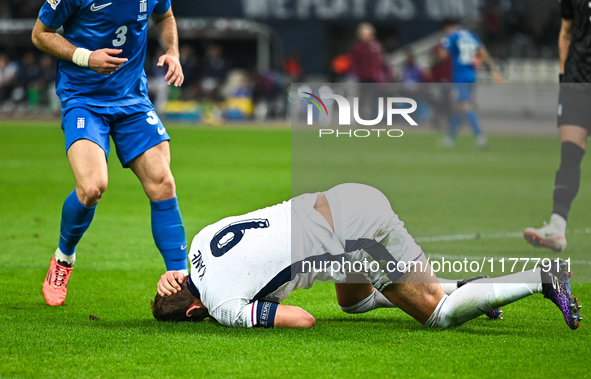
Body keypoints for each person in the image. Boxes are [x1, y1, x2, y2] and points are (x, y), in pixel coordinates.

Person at [152, 184, 581, 329]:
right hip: (341, 200)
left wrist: (241, 317)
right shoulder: (199, 244)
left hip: (356, 233)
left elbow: (303, 319)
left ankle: (541, 277)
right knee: (352, 302)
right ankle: (477, 291)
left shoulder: (223, 306)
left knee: (438, 316)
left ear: (193, 312)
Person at [32, 0, 188, 306]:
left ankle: (183, 282)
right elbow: (40, 34)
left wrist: (172, 51)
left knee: (163, 183)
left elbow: (166, 16)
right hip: (84, 99)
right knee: (92, 187)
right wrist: (85, 57)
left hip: (132, 100)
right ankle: (64, 259)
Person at [524, 0, 590, 252]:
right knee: (570, 155)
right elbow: (566, 32)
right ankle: (556, 228)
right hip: (576, 83)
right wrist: (564, 77)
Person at [436, 19, 504, 149]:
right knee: (458, 107)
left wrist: (431, 65)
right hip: (471, 76)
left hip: (460, 77)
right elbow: (483, 53)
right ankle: (450, 138)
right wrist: (494, 71)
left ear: (448, 27)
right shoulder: (472, 35)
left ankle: (480, 137)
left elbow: (443, 55)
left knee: (465, 107)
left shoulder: (452, 36)